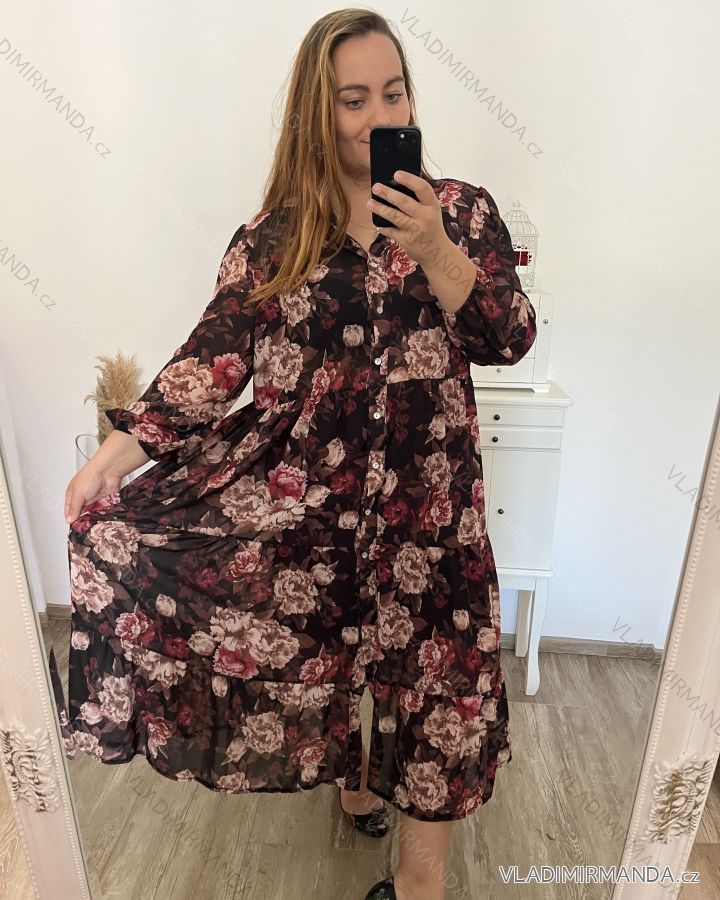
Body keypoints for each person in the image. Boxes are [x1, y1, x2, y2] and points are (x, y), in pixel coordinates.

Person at [57, 9, 537, 900]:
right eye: (353, 100)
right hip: (308, 514)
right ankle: (355, 784)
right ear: (317, 112)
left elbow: (507, 335)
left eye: (392, 93)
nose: (377, 116)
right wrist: (117, 454)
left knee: (438, 688)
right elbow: (213, 358)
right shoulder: (276, 239)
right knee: (338, 662)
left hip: (432, 517)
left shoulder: (463, 213)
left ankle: (418, 884)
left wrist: (434, 248)